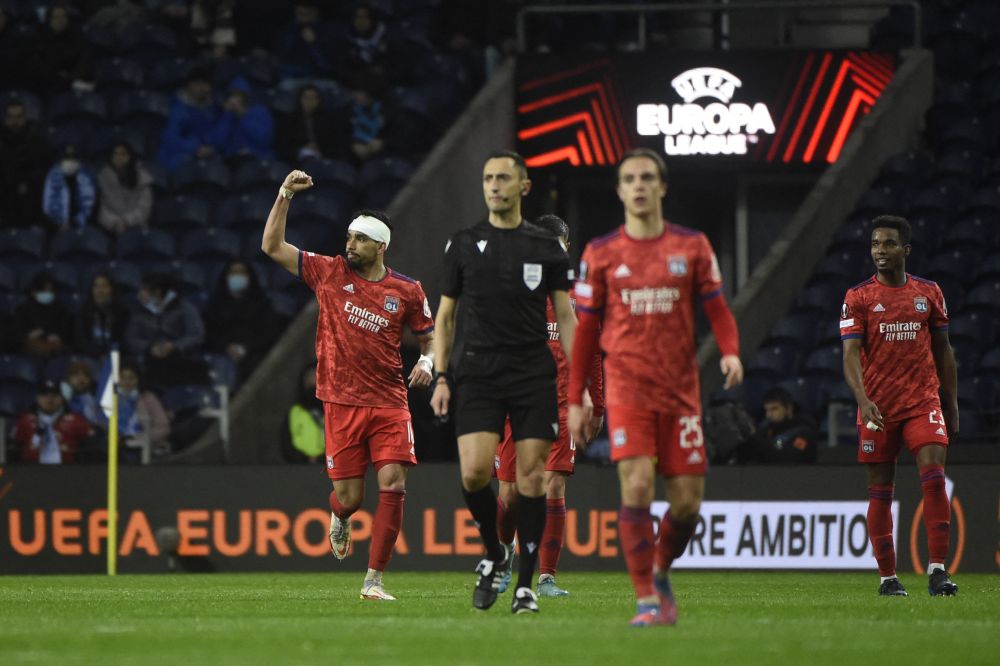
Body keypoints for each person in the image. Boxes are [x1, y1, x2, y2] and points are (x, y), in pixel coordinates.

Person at [568, 148, 743, 627]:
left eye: (648, 177)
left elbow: (718, 309)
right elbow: (585, 331)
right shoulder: (601, 252)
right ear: (620, 190)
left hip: (680, 391)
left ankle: (661, 569)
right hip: (627, 388)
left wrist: (729, 350)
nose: (639, 185)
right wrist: (576, 397)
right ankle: (646, 599)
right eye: (630, 178)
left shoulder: (692, 246)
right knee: (639, 486)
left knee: (687, 503)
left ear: (662, 187)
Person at [261, 169, 435, 601]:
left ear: (380, 246)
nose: (349, 244)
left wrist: (429, 360)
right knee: (351, 498)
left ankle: (373, 580)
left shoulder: (407, 290)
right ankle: (340, 515)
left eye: (359, 238)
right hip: (340, 402)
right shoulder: (328, 272)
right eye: (349, 236)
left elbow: (429, 333)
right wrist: (284, 194)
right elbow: (271, 247)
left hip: (391, 401)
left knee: (394, 481)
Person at [430, 151, 577, 615]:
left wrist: (585, 388)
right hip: (479, 371)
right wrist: (440, 374)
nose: (494, 185)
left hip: (533, 373)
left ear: (523, 187)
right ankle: (496, 554)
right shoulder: (464, 243)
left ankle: (527, 586)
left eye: (504, 178)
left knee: (534, 482)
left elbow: (568, 317)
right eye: (488, 177)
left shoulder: (546, 248)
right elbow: (446, 317)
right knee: (475, 475)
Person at [840, 215, 959, 598]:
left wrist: (950, 403)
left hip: (922, 400)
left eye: (888, 244)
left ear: (905, 250)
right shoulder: (858, 297)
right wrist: (863, 400)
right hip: (877, 408)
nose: (880, 251)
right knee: (880, 489)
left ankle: (938, 571)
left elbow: (944, 351)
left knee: (934, 473)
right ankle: (888, 578)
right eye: (875, 244)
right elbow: (850, 355)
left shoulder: (929, 292)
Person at [493, 214, 605, 598]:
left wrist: (598, 404)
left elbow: (591, 355)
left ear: (565, 249)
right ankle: (504, 551)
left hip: (562, 404)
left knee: (553, 485)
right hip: (517, 403)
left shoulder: (580, 297)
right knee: (509, 496)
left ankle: (547, 577)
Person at [124, 273, 207, 387]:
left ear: (156, 292)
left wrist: (175, 346)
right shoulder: (138, 313)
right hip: (150, 361)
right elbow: (131, 339)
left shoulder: (184, 308)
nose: (138, 295)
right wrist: (150, 348)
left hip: (181, 359)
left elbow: (196, 335)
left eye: (143, 290)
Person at [204, 259, 278, 381]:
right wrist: (226, 347)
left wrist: (246, 348)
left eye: (242, 272)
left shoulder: (262, 304)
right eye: (233, 272)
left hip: (254, 353)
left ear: (249, 277)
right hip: (221, 353)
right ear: (226, 277)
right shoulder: (215, 304)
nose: (237, 276)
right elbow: (209, 333)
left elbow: (269, 333)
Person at [13, 380, 95, 464]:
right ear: (38, 398)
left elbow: (91, 446)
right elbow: (14, 447)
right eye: (45, 396)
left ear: (61, 398)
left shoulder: (76, 420)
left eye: (54, 396)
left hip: (69, 470)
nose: (49, 400)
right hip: (29, 471)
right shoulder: (25, 420)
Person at [156, 68, 221, 171]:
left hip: (208, 154)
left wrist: (212, 148)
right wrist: (195, 148)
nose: (201, 88)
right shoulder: (179, 109)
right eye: (197, 84)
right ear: (188, 86)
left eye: (205, 84)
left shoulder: (214, 108)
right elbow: (170, 138)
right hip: (179, 157)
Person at [0, 99, 50, 229]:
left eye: (18, 117)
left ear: (25, 117)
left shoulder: (36, 141)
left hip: (30, 203)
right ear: (4, 119)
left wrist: (26, 184)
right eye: (10, 117)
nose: (14, 122)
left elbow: (42, 171)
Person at [275, 84, 350, 164]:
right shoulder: (288, 120)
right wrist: (302, 149)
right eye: (306, 98)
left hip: (324, 158)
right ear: (299, 99)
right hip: (296, 161)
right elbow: (283, 145)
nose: (310, 101)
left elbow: (336, 142)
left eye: (314, 98)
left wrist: (319, 148)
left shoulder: (328, 119)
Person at [740, 387, 818, 464]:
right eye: (767, 410)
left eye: (774, 409)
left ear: (788, 409)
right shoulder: (766, 431)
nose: (769, 415)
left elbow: (789, 458)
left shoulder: (803, 433)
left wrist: (758, 440)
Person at [116, 362, 172, 462]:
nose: (127, 381)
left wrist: (143, 438)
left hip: (145, 446)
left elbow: (163, 426)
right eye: (123, 377)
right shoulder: (110, 400)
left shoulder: (148, 398)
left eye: (132, 378)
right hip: (117, 446)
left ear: (138, 380)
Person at [209, 79, 275, 163]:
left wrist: (243, 114)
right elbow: (217, 141)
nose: (234, 100)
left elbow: (264, 139)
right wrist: (227, 116)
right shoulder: (228, 115)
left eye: (238, 96)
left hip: (259, 158)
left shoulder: (260, 112)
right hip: (233, 160)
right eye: (232, 96)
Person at [96, 141, 154, 234]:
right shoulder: (103, 178)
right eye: (115, 154)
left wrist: (126, 221)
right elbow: (101, 208)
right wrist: (114, 222)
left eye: (123, 154)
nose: (118, 157)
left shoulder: (142, 178)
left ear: (130, 157)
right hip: (109, 229)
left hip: (136, 229)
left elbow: (144, 209)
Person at [15, 272, 73, 362]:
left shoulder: (60, 308)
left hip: (55, 346)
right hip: (31, 348)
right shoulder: (23, 309)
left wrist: (55, 336)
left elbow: (65, 330)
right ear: (34, 292)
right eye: (44, 291)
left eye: (50, 290)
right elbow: (19, 333)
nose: (48, 293)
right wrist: (29, 335)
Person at [42, 144, 97, 230]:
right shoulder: (52, 178)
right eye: (66, 159)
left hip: (83, 226)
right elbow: (48, 207)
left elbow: (91, 206)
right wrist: (59, 224)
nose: (70, 163)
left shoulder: (87, 178)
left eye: (73, 160)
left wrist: (77, 222)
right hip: (56, 227)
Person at [75, 272, 130, 357]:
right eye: (96, 286)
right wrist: (97, 354)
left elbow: (124, 340)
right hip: (90, 356)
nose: (100, 291)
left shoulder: (122, 312)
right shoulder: (84, 311)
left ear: (111, 289)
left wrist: (110, 354)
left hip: (116, 355)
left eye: (104, 286)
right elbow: (81, 340)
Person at [280, 363, 324, 464]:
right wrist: (304, 460)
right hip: (301, 470)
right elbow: (286, 443)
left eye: (316, 376)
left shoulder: (335, 411)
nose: (312, 380)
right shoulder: (295, 412)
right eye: (309, 377)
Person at [61, 358, 102, 426]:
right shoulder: (62, 399)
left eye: (85, 375)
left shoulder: (97, 398)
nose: (81, 379)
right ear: (68, 378)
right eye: (76, 375)